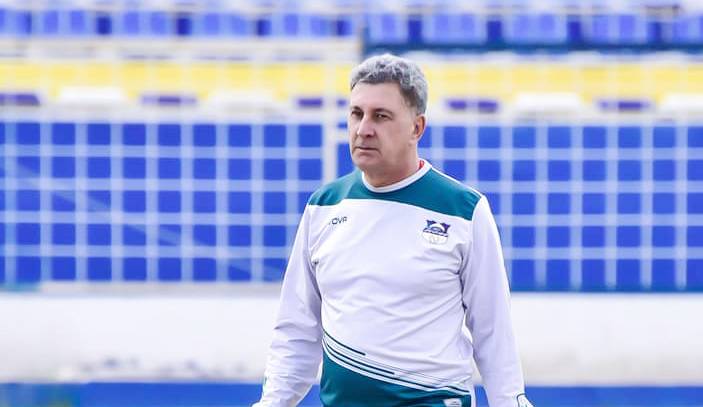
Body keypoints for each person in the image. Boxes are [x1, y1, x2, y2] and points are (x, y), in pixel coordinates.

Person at [253, 54, 532, 407]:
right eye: (356, 114)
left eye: (381, 116)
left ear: (417, 128)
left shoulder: (463, 210)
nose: (363, 129)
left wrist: (511, 401)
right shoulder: (323, 207)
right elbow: (297, 328)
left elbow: (493, 331)